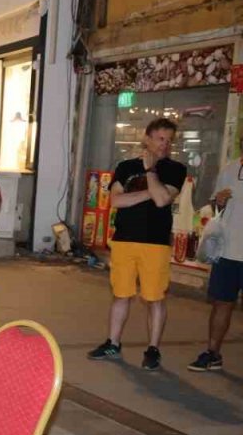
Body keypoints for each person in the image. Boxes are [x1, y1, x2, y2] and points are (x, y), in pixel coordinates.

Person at [88, 117, 187, 371]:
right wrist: (150, 193)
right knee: (121, 294)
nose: (165, 145)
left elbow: (164, 200)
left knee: (155, 297)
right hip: (124, 240)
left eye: (169, 140)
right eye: (160, 138)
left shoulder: (175, 169)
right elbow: (117, 201)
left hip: (155, 243)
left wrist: (151, 172)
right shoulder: (125, 166)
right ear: (147, 138)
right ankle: (113, 342)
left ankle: (153, 349)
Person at [190, 152, 243, 371]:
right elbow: (216, 207)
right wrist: (219, 202)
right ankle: (213, 353)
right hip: (227, 251)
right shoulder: (229, 169)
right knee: (222, 303)